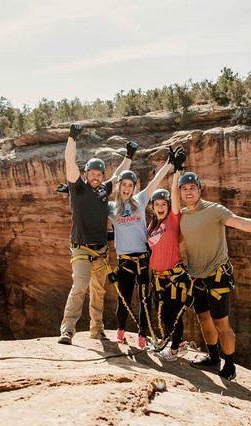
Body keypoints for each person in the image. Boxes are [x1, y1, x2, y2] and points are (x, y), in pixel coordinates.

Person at [176, 170, 251, 379]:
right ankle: (213, 358)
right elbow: (175, 243)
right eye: (184, 189)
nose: (188, 192)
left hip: (216, 276)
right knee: (203, 318)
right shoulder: (183, 216)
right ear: (179, 192)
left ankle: (229, 365)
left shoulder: (215, 211)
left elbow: (240, 222)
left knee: (222, 324)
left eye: (192, 188)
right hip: (196, 278)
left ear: (199, 190)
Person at [57, 123, 136, 345]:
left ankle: (96, 330)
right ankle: (68, 330)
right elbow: (69, 162)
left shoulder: (103, 190)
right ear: (86, 174)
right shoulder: (78, 188)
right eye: (92, 173)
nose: (96, 177)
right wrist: (72, 137)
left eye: (99, 174)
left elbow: (119, 175)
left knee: (99, 292)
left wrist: (128, 156)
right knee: (80, 285)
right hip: (81, 248)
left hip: (101, 251)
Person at [108, 149, 174, 349]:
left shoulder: (140, 200)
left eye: (130, 185)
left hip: (144, 259)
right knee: (124, 298)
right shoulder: (111, 207)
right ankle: (120, 332)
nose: (127, 188)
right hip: (125, 260)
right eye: (124, 185)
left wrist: (170, 164)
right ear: (118, 186)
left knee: (144, 300)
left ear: (134, 187)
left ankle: (142, 336)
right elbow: (92, 204)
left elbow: (155, 181)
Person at [147, 148, 193, 361]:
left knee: (174, 315)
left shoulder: (173, 221)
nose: (160, 207)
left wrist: (177, 171)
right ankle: (180, 344)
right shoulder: (152, 227)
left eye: (163, 205)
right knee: (164, 315)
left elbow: (175, 194)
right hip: (158, 278)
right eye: (156, 205)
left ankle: (173, 351)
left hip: (174, 276)